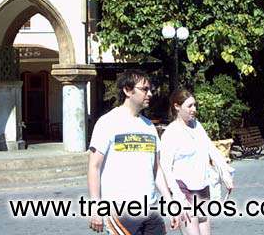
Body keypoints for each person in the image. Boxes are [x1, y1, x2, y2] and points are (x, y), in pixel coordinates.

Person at [88, 70, 184, 234]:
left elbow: (156, 169)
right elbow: (94, 167)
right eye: (144, 89)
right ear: (127, 90)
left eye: (150, 89)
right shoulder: (107, 122)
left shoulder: (148, 126)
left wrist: (169, 202)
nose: (150, 94)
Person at [160, 89, 234, 235]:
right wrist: (178, 197)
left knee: (205, 228)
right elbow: (166, 169)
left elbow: (211, 150)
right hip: (183, 189)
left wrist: (225, 174)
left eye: (195, 105)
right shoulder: (171, 133)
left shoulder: (196, 126)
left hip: (201, 186)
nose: (194, 109)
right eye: (189, 106)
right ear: (177, 106)